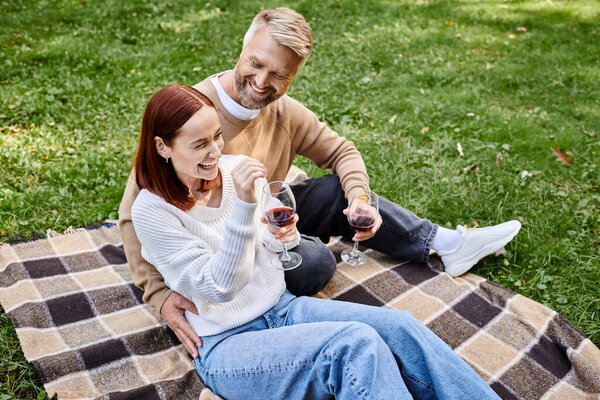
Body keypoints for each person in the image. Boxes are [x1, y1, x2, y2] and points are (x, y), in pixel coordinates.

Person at [118, 7, 521, 358]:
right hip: (215, 243)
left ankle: (443, 244)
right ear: (241, 50)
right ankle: (273, 301)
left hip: (265, 216)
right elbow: (134, 214)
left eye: (279, 75)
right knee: (313, 263)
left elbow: (342, 152)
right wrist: (159, 295)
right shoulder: (194, 115)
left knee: (334, 192)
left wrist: (360, 198)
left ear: (293, 77)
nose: (262, 82)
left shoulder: (284, 111)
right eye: (256, 64)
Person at [130, 83, 502, 400]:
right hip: (226, 344)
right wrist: (245, 207)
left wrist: (281, 238)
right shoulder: (152, 212)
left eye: (217, 137)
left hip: (283, 308)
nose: (215, 152)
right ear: (163, 147)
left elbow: (274, 247)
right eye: (199, 145)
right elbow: (218, 287)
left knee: (399, 328)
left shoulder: (233, 169)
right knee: (354, 345)